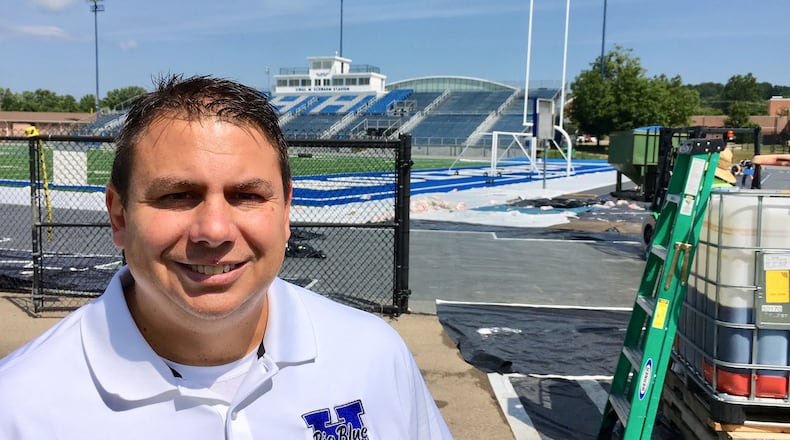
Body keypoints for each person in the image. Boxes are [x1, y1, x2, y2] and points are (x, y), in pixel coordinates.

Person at [0, 74, 453, 439]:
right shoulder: (20, 407)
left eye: (247, 195)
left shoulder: (375, 355)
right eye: (178, 195)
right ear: (118, 216)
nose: (214, 231)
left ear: (286, 210)